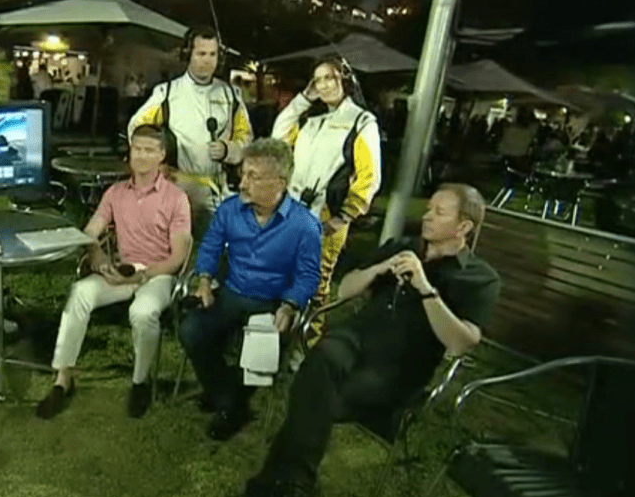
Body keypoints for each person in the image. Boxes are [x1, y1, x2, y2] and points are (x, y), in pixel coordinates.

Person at [243, 183, 501, 497]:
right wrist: (379, 268)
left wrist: (425, 288)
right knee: (322, 358)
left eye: (439, 212)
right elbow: (345, 289)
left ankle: (277, 481)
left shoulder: (479, 278)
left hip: (398, 366)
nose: (427, 216)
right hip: (354, 338)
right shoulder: (402, 247)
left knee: (316, 394)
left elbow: (462, 343)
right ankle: (296, 484)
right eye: (429, 208)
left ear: (463, 227)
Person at [36, 125, 192, 419]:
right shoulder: (116, 193)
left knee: (143, 312)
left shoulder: (176, 198)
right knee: (80, 292)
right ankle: (63, 377)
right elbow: (90, 231)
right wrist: (96, 254)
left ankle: (140, 382)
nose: (141, 156)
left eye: (149, 150)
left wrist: (142, 276)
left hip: (157, 274)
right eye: (137, 149)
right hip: (122, 270)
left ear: (162, 155)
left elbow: (178, 257)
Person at [180, 138, 322, 441]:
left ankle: (225, 401)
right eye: (243, 174)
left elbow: (308, 275)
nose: (242, 183)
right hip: (231, 293)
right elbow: (210, 247)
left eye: (253, 176)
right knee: (191, 330)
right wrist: (204, 281)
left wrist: (290, 305)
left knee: (260, 351)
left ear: (279, 183)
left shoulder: (305, 225)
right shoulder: (230, 210)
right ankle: (229, 400)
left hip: (272, 302)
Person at [271, 56, 381, 312]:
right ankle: (278, 329)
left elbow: (369, 176)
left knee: (314, 283)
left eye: (329, 78)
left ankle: (309, 334)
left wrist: (343, 217)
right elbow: (279, 136)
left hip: (326, 213)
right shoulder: (311, 119)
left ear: (345, 80)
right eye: (317, 80)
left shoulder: (362, 121)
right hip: (291, 207)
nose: (323, 85)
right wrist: (303, 99)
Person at [128, 25, 253, 241]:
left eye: (212, 54)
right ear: (188, 55)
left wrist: (229, 150)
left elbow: (246, 137)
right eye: (201, 54)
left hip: (218, 188)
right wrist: (155, 165)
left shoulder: (231, 95)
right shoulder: (167, 93)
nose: (207, 60)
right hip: (177, 186)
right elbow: (137, 130)